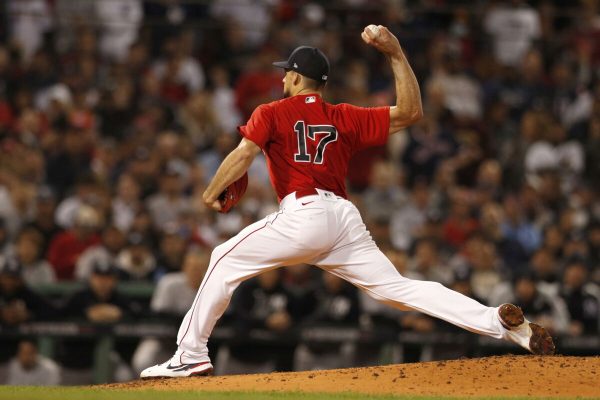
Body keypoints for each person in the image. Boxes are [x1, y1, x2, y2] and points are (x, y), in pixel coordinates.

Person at [141, 25, 554, 378]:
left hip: (304, 213)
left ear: (299, 77)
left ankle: (189, 356)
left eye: (287, 73)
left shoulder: (272, 111)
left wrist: (211, 192)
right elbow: (411, 112)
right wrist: (395, 52)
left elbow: (244, 154)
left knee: (222, 258)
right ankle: (499, 323)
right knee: (398, 288)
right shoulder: (343, 116)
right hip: (343, 219)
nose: (283, 79)